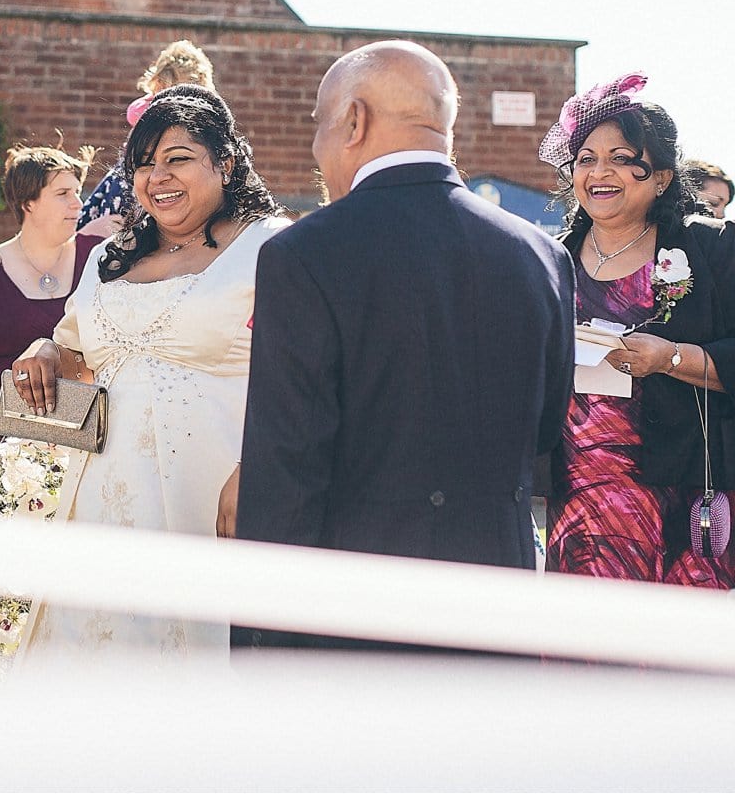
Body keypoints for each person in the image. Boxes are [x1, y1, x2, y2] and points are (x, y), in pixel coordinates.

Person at [233, 42, 573, 650]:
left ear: (354, 120)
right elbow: (546, 431)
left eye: (319, 124)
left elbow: (286, 466)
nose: (317, 149)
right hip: (500, 608)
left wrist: (262, 638)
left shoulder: (304, 254)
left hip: (357, 617)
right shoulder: (540, 254)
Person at [11, 85, 289, 655]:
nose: (157, 177)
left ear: (227, 162)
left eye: (178, 159)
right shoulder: (108, 257)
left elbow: (300, 378)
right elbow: (75, 350)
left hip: (214, 496)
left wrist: (255, 470)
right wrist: (44, 352)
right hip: (98, 504)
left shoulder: (271, 247)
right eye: (143, 165)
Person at [540, 74, 735, 588]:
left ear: (661, 177)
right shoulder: (550, 258)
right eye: (585, 158)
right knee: (586, 649)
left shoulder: (714, 246)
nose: (599, 172)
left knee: (683, 652)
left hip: (687, 491)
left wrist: (671, 357)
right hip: (584, 491)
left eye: (621, 158)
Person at [0, 145, 97, 503]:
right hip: (5, 453)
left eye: (78, 193)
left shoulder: (98, 259)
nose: (78, 204)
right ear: (29, 203)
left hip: (84, 450)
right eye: (63, 194)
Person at [77, 39, 215, 236]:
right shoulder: (184, 114)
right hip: (141, 181)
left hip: (128, 178)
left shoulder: (148, 106)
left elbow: (134, 111)